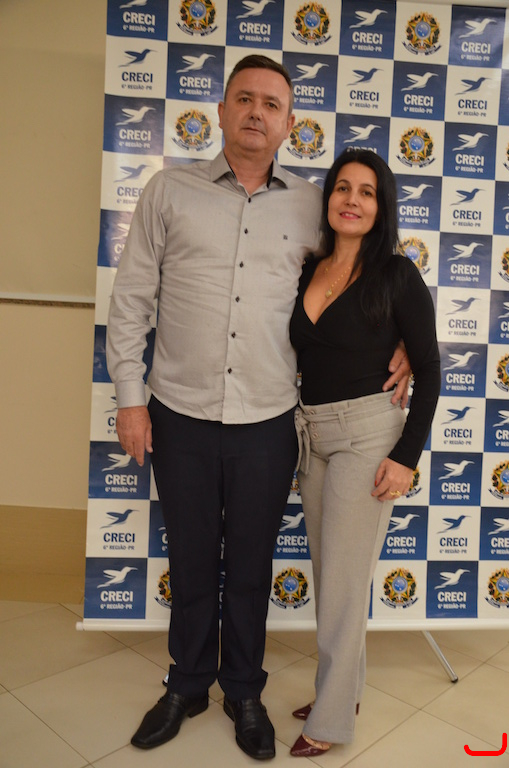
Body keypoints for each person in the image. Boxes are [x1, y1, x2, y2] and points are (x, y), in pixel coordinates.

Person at [107, 57, 410, 761]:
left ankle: (244, 691)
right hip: (177, 411)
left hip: (270, 420)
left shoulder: (313, 205)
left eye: (271, 104)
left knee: (249, 565)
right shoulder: (168, 191)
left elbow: (362, 276)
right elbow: (131, 301)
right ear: (220, 111)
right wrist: (130, 399)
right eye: (243, 98)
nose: (255, 112)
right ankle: (187, 684)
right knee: (190, 558)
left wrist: (401, 340)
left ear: (289, 124)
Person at [288, 149, 441, 757]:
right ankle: (342, 689)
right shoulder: (309, 267)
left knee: (346, 585)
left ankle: (329, 721)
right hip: (313, 435)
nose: (352, 200)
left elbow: (429, 371)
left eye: (367, 192)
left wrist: (406, 457)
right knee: (333, 577)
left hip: (368, 434)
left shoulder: (397, 274)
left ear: (382, 207)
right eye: (342, 188)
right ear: (328, 198)